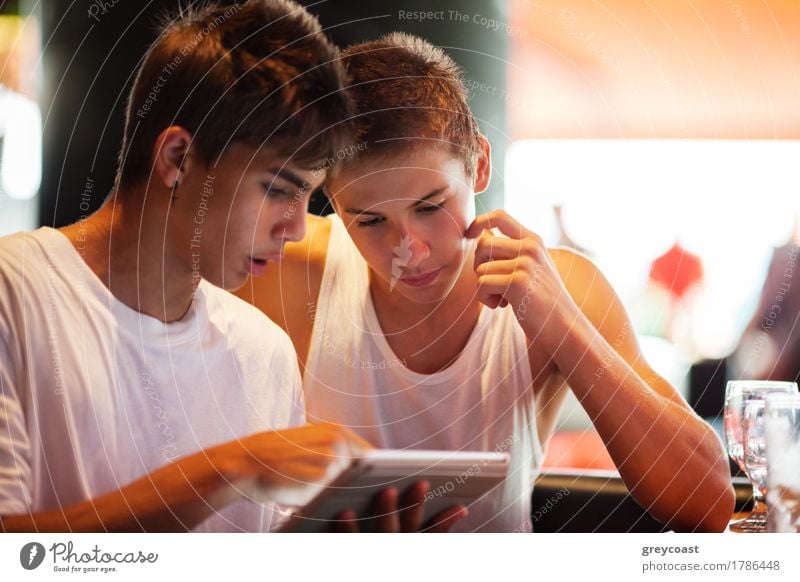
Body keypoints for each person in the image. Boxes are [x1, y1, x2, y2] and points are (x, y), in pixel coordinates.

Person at [237, 33, 735, 532]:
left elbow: (708, 501)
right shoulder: (287, 272)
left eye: (430, 207)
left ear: (479, 164)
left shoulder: (564, 287)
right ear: (333, 201)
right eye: (369, 221)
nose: (408, 250)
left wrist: (562, 324)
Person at [0, 1, 446, 534]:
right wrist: (227, 471)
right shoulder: (16, 294)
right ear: (178, 158)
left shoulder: (264, 352)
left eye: (308, 197)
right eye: (278, 189)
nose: (298, 228)